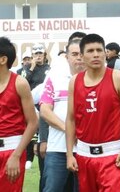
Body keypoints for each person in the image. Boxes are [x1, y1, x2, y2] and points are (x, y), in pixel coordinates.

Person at [66, 33, 120, 191]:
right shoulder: (74, 82)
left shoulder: (118, 78)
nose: (96, 54)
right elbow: (70, 119)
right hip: (84, 156)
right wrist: (70, 154)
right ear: (82, 56)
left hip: (112, 155)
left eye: (99, 50)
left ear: (105, 53)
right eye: (90, 51)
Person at [40, 37, 84, 192]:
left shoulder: (96, 79)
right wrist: (69, 129)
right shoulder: (54, 78)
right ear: (67, 57)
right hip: (57, 148)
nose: (79, 58)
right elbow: (45, 110)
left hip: (86, 149)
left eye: (81, 54)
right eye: (74, 54)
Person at [0, 37, 37, 191]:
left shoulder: (19, 83)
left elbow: (33, 122)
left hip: (11, 150)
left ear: (3, 59)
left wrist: (16, 155)